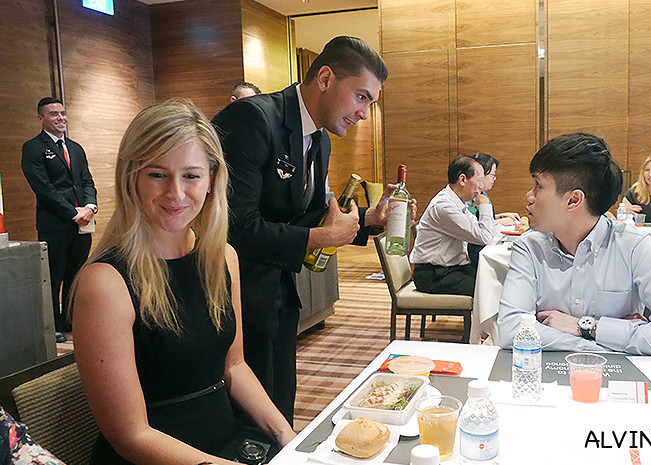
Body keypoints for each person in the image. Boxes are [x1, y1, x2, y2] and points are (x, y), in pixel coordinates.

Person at [69, 101, 296, 465]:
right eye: (157, 174)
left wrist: (289, 438)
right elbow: (132, 436)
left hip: (225, 444)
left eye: (191, 176)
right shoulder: (105, 282)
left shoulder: (222, 257)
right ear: (132, 178)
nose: (176, 193)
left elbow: (234, 367)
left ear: (211, 181)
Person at [212, 36, 403, 425]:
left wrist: (369, 219)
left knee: (279, 410)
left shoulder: (320, 139)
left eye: (371, 102)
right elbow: (234, 227)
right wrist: (318, 239)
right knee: (246, 419)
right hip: (232, 299)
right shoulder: (253, 119)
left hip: (279, 295)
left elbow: (311, 216)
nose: (364, 113)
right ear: (326, 78)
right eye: (361, 97)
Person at [497, 133, 651, 359]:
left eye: (538, 185)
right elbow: (510, 330)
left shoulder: (633, 247)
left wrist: (585, 326)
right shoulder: (529, 248)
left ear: (574, 200)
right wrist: (604, 340)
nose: (529, 196)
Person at [21, 97, 97, 343]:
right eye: (54, 114)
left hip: (83, 223)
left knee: (76, 274)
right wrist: (72, 212)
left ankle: (71, 318)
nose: (60, 118)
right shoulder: (33, 147)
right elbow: (43, 188)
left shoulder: (75, 148)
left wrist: (90, 207)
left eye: (63, 113)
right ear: (41, 118)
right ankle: (53, 324)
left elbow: (87, 180)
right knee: (54, 276)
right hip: (55, 224)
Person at [410, 156, 497, 297]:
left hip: (452, 269)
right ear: (462, 180)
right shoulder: (445, 206)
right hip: (434, 274)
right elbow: (485, 237)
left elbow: (480, 230)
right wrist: (485, 204)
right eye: (479, 181)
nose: (481, 187)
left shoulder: (456, 202)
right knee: (489, 292)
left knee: (495, 281)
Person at [465, 152, 520, 266]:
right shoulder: (469, 197)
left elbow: (481, 216)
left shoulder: (483, 195)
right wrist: (499, 221)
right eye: (492, 175)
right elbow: (474, 224)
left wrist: (501, 216)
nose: (494, 179)